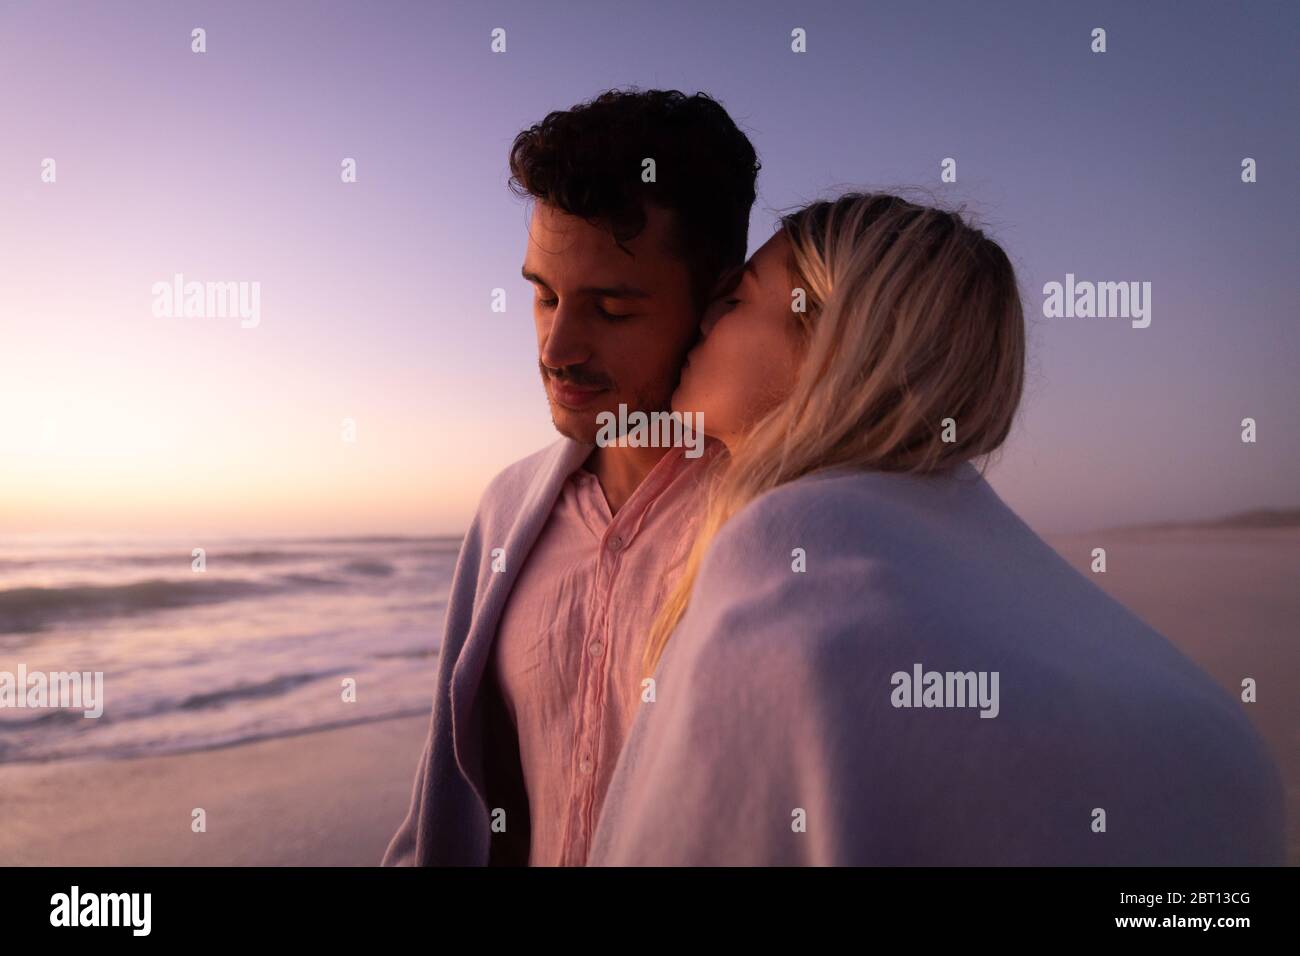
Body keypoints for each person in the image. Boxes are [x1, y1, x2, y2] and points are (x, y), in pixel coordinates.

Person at [586, 192, 1285, 865]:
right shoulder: (996, 565)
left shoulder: (790, 566)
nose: (703, 322)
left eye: (735, 301)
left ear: (835, 345)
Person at [382, 88, 759, 865]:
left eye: (611, 309)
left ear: (719, 301)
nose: (556, 348)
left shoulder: (771, 522)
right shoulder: (509, 512)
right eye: (543, 295)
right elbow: (455, 810)